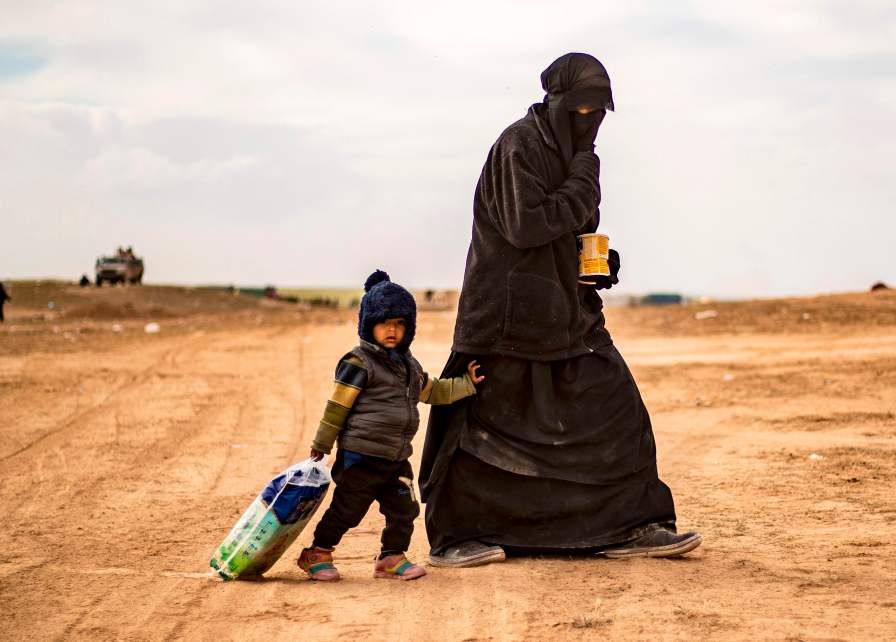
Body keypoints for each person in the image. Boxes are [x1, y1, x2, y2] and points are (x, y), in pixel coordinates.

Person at [419, 52, 701, 568]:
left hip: (565, 312)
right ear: (555, 101)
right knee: (480, 427)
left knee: (615, 408)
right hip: (505, 316)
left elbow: (567, 228)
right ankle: (455, 536)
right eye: (580, 109)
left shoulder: (574, 157)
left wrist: (595, 263)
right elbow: (525, 226)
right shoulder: (518, 146)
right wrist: (584, 179)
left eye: (598, 111)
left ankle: (632, 525)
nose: (589, 121)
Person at [296, 270, 486, 582]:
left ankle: (391, 558)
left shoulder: (409, 366)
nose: (392, 330)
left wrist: (467, 384)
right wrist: (322, 443)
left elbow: (433, 391)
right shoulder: (358, 363)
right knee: (347, 511)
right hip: (360, 456)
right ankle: (317, 553)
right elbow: (336, 406)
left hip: (396, 457)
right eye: (385, 323)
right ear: (369, 324)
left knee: (404, 510)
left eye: (400, 324)